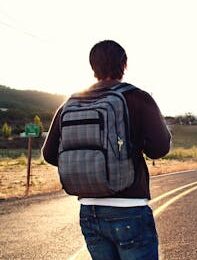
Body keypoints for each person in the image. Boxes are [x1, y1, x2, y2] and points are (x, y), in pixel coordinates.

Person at [42, 40, 171, 260]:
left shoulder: (71, 102)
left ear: (92, 67)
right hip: (129, 207)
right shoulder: (138, 98)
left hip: (89, 211)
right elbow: (160, 148)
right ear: (125, 64)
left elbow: (49, 154)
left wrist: (86, 164)